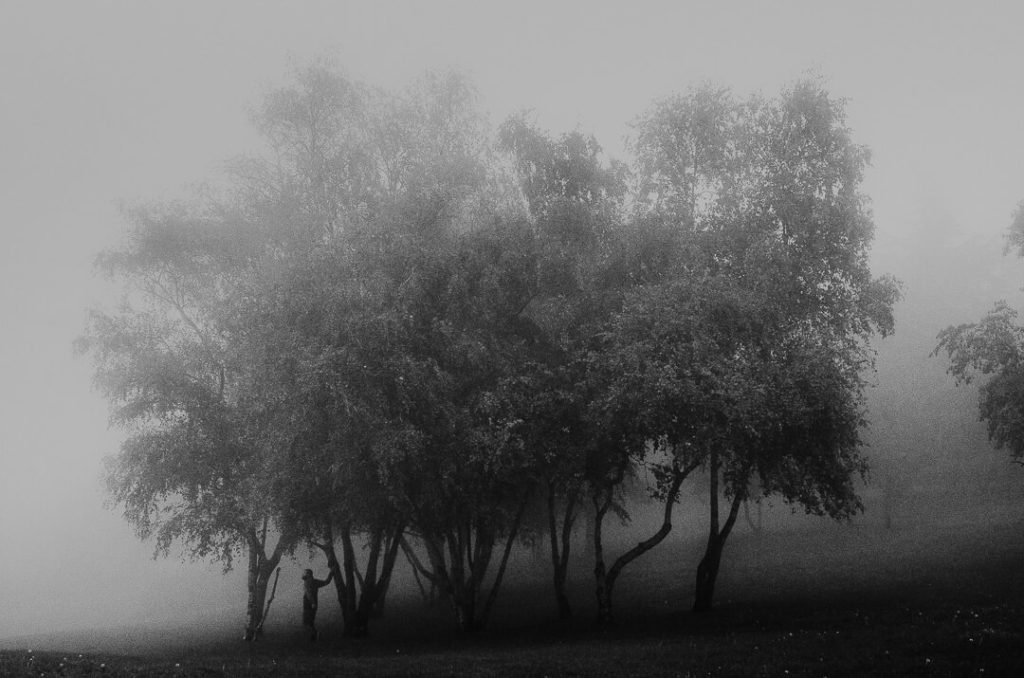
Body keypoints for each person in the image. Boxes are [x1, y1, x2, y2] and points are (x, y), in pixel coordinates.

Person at [301, 567, 333, 641]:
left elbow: (308, 594)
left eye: (305, 573)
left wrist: (312, 603)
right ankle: (314, 638)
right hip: (313, 604)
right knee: (310, 622)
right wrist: (331, 573)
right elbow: (326, 582)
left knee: (306, 623)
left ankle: (316, 634)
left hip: (309, 605)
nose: (303, 574)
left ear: (309, 574)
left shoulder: (307, 583)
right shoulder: (315, 581)